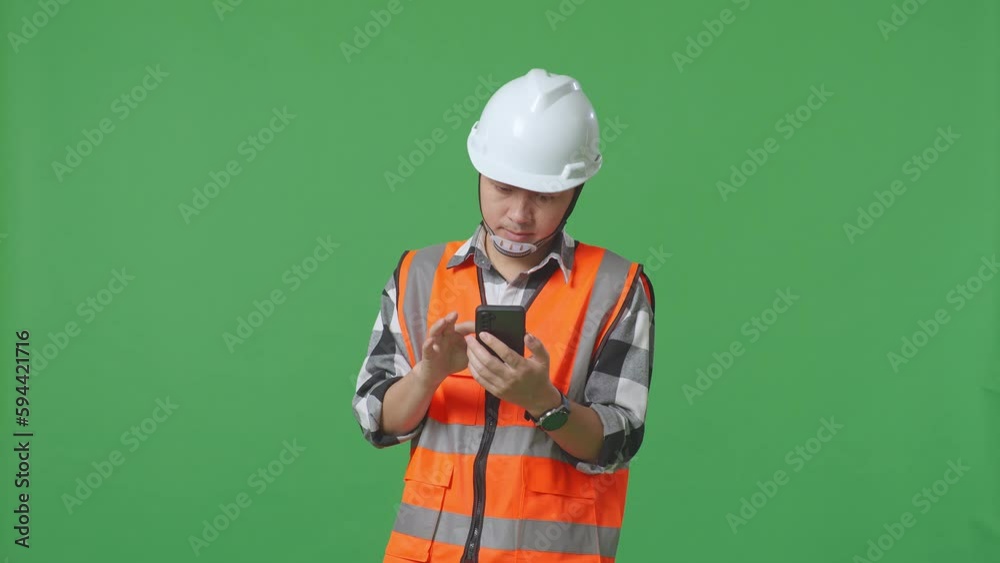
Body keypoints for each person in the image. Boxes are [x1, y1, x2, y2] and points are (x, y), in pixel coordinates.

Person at [353, 68, 656, 563]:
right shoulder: (418, 275)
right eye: (503, 188)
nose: (519, 214)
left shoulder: (615, 288)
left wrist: (544, 402)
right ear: (480, 173)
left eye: (544, 196)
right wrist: (428, 374)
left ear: (575, 191)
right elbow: (376, 420)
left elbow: (619, 439)